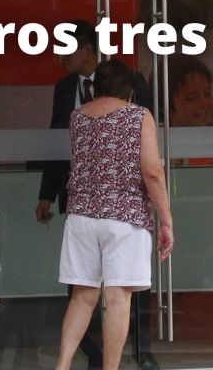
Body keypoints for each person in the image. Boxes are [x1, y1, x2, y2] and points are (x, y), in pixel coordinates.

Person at [36, 20, 157, 370]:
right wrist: (46, 193)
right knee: (102, 293)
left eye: (66, 49)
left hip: (98, 208)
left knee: (100, 294)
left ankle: (141, 353)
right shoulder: (65, 89)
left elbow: (147, 132)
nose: (60, 57)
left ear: (88, 49)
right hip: (107, 209)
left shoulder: (126, 86)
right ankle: (99, 359)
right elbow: (56, 142)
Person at [55, 59, 174, 370]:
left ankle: (62, 366)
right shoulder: (138, 115)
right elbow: (152, 172)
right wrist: (166, 219)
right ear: (130, 91)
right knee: (118, 299)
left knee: (82, 297)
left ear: (96, 87)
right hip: (124, 217)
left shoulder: (79, 116)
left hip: (81, 216)